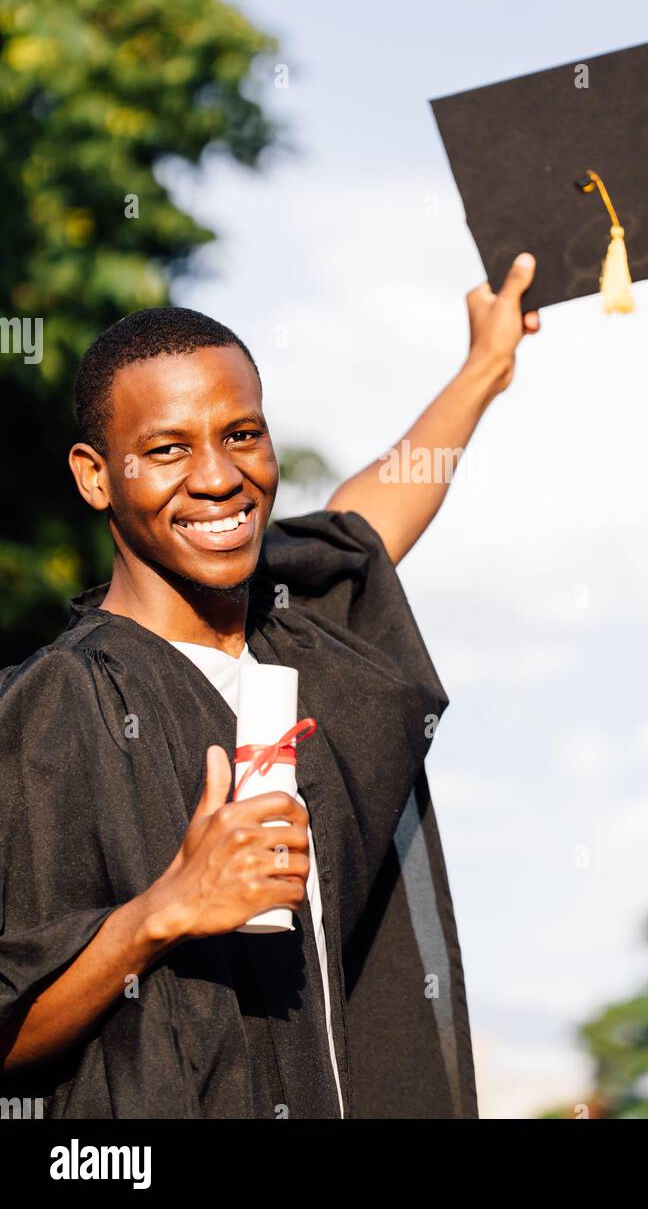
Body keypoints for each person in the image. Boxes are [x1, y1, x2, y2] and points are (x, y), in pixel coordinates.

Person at [0, 254, 540, 1119]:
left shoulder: (296, 638)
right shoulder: (57, 707)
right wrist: (162, 912)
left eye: (241, 434)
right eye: (167, 448)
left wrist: (485, 364)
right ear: (96, 475)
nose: (218, 478)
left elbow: (369, 521)